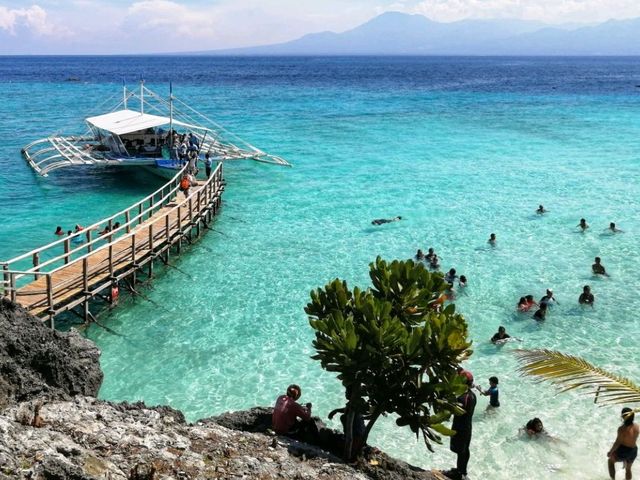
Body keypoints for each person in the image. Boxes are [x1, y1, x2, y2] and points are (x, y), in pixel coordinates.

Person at [447, 370, 476, 480]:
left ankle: (459, 474)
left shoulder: (464, 397)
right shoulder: (472, 395)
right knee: (464, 450)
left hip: (460, 427)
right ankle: (462, 471)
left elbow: (458, 409)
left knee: (460, 451)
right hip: (467, 427)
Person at [608, 408, 639, 480]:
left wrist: (610, 452)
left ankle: (613, 479)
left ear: (623, 417)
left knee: (610, 461)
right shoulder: (637, 427)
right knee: (628, 469)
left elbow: (617, 443)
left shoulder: (622, 429)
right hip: (633, 450)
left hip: (623, 450)